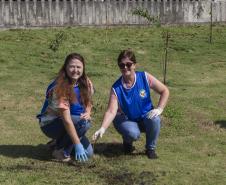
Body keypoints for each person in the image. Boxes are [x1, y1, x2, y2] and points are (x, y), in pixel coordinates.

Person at [93, 49, 169, 159]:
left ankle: (150, 148)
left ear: (134, 65)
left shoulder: (144, 77)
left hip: (145, 117)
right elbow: (111, 111)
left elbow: (164, 91)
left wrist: (159, 109)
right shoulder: (116, 88)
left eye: (128, 64)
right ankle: (127, 141)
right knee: (133, 133)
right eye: (122, 65)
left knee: (155, 119)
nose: (125, 68)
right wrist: (102, 128)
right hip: (126, 119)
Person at [37, 53, 94, 162]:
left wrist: (88, 111)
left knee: (88, 153)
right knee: (84, 123)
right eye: (72, 66)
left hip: (72, 120)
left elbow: (89, 100)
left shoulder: (85, 82)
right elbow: (67, 120)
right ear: (65, 67)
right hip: (51, 124)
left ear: (83, 68)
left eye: (78, 67)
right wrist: (77, 144)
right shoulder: (60, 88)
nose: (75, 70)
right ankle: (61, 151)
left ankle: (57, 143)